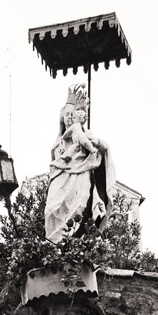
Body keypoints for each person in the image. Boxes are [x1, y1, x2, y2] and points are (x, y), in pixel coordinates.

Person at [44, 83, 116, 244]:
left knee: (77, 209)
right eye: (66, 114)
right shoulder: (58, 143)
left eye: (73, 114)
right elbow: (53, 164)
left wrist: (96, 143)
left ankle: (68, 246)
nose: (69, 118)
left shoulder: (85, 135)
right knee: (51, 210)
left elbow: (102, 149)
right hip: (59, 180)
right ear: (62, 117)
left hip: (79, 179)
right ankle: (52, 246)